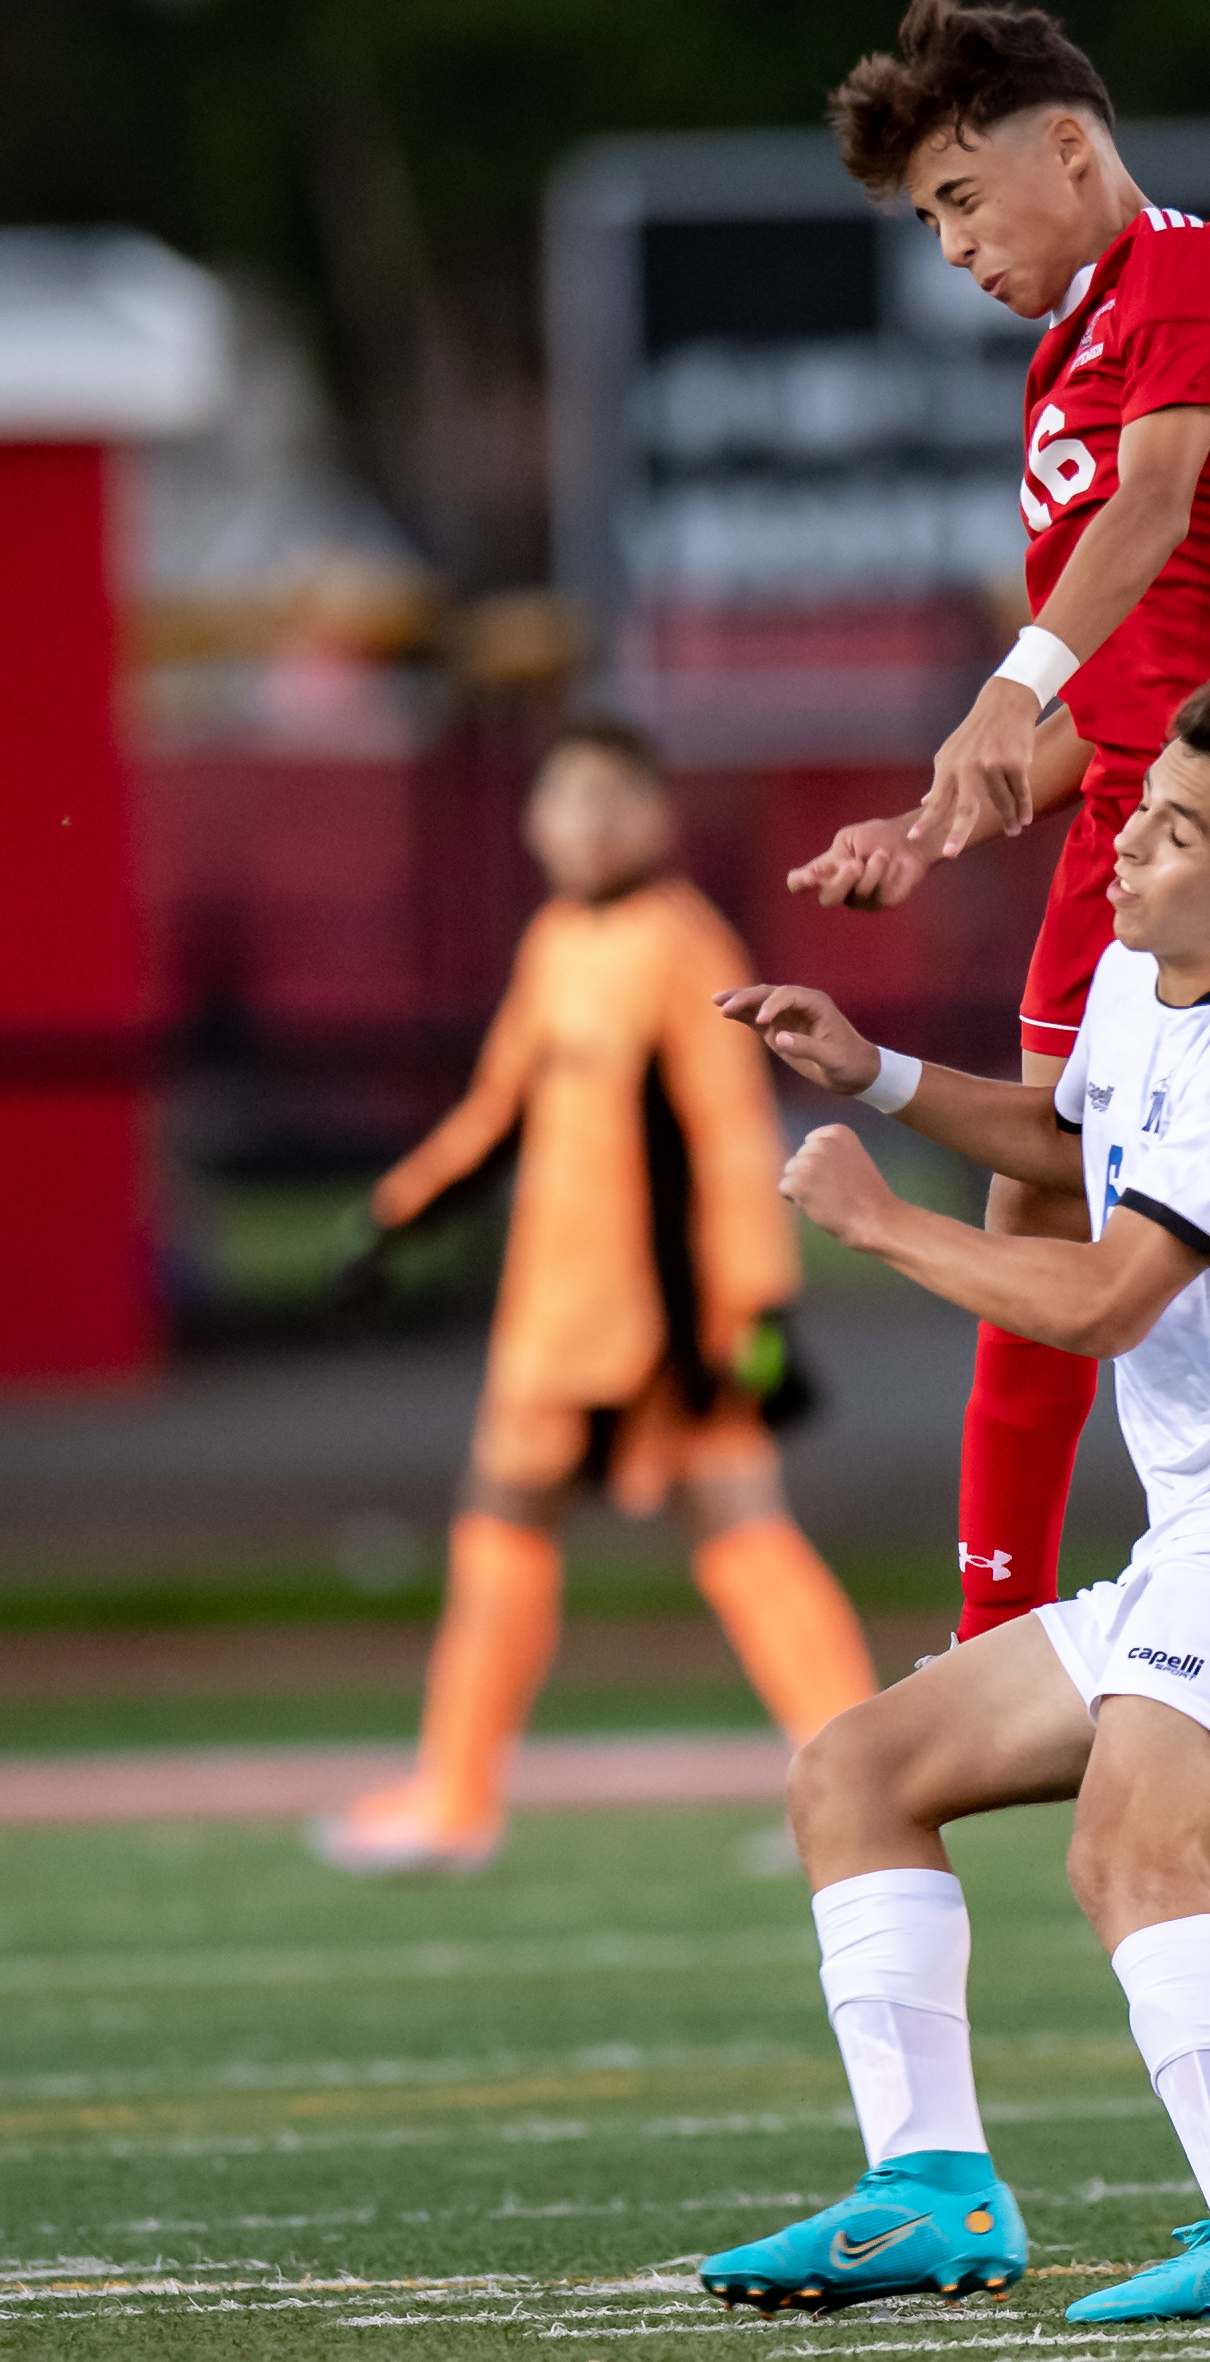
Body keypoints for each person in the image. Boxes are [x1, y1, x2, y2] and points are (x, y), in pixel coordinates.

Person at [791, 0, 1210, 1828]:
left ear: (1062, 143)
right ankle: (988, 1618)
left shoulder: (1196, 273)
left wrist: (1006, 690)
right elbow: (1112, 681)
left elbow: (1151, 513)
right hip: (1148, 819)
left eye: (959, 198)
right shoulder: (1052, 362)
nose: (955, 245)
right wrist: (942, 813)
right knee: (1038, 1175)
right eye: (926, 221)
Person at [704, 681, 1210, 2319]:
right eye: (1132, 809)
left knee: (1127, 1851)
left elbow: (1107, 1297)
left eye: (1171, 830)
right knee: (856, 1772)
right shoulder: (1141, 976)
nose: (1122, 846)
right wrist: (873, 1070)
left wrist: (879, 1225)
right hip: (1204, 1549)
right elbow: (1068, 1128)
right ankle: (931, 2194)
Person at [312, 721, 878, 1877]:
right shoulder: (557, 939)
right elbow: (499, 1108)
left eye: (615, 799)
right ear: (534, 820)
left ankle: (854, 1787)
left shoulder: (682, 946)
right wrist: (397, 1212)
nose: (590, 822)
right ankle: (458, 1794)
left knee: (724, 1525)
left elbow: (727, 1142)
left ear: (657, 816)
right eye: (569, 798)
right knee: (536, 1523)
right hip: (555, 1311)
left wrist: (760, 1312)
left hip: (673, 1320)